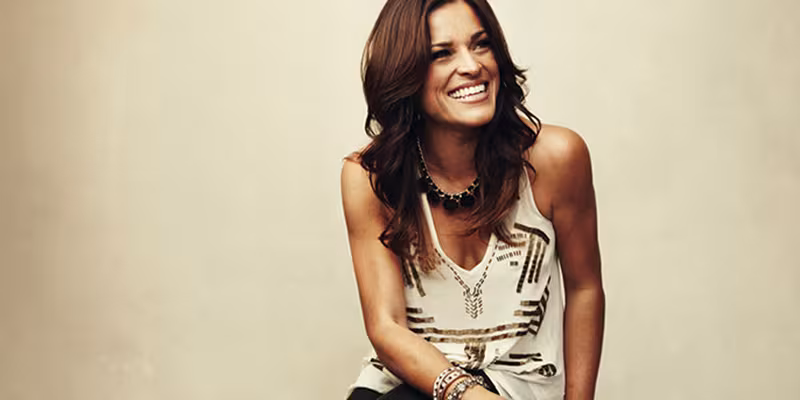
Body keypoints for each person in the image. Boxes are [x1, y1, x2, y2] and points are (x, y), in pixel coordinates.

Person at [341, 0, 604, 399]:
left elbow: (585, 289)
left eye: (481, 44)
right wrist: (465, 393)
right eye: (441, 54)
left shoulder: (555, 159)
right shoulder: (371, 177)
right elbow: (386, 326)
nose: (471, 66)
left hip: (518, 384)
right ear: (404, 74)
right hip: (413, 380)